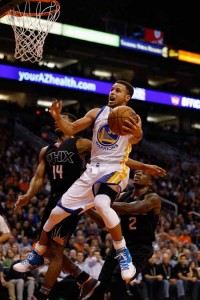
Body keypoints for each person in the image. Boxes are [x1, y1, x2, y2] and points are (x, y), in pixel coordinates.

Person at [13, 109, 166, 300]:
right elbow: (38, 178)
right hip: (57, 198)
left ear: (71, 125)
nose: (57, 123)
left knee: (57, 250)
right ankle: (84, 279)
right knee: (49, 248)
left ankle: (43, 295)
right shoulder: (47, 150)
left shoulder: (81, 143)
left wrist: (143, 166)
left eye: (65, 120)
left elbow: (116, 157)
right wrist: (28, 195)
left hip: (77, 195)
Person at [14, 79, 144, 283]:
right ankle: (37, 253)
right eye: (111, 89)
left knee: (102, 203)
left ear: (126, 97)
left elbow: (136, 137)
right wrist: (57, 117)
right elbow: (72, 127)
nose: (112, 92)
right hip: (92, 170)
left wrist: (136, 133)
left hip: (116, 168)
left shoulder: (131, 116)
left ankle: (123, 253)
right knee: (56, 213)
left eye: (117, 90)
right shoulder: (96, 112)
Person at [84, 169, 162, 300]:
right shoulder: (123, 196)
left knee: (117, 281)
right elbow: (103, 222)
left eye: (143, 173)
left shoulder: (153, 198)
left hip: (140, 248)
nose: (137, 174)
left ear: (150, 182)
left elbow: (133, 208)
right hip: (120, 245)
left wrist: (102, 204)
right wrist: (86, 208)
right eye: (137, 172)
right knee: (100, 284)